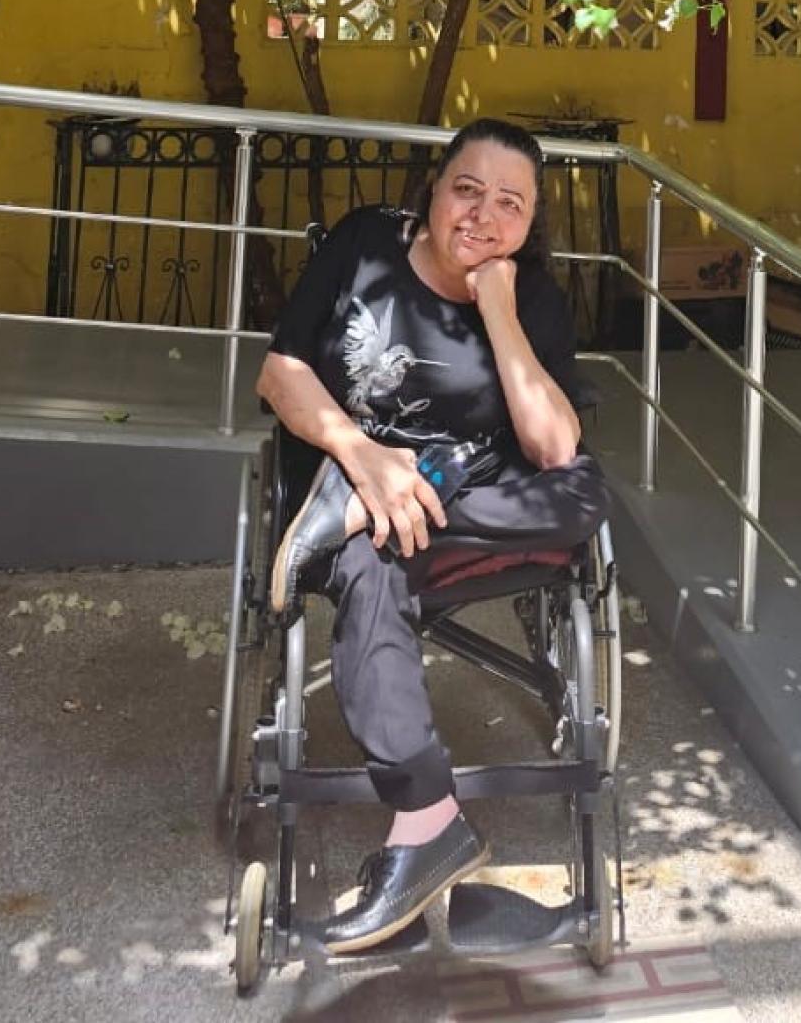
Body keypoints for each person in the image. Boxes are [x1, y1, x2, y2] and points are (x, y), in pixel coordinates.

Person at [255, 117, 608, 954]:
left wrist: (499, 309)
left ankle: (385, 505)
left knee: (584, 492)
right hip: (357, 485)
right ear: (433, 190)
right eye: (467, 189)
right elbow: (280, 372)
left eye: (511, 204)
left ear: (531, 223)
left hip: (459, 507)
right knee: (371, 555)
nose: (484, 215)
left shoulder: (531, 296)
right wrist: (361, 456)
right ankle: (426, 816)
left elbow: (555, 447)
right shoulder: (363, 246)